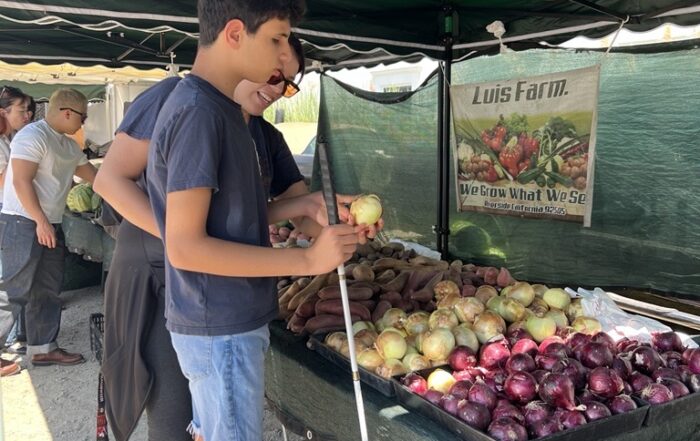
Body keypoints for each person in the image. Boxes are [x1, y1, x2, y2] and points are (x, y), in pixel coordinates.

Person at [146, 1, 378, 440]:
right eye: (276, 39)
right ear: (235, 34)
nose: (281, 56)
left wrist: (306, 207)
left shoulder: (225, 113)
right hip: (221, 324)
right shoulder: (199, 113)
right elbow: (185, 246)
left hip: (227, 321)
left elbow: (230, 218)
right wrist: (309, 261)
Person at [94, 33, 316, 441]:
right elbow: (110, 179)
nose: (277, 90)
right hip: (157, 274)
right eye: (272, 75)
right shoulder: (179, 101)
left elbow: (299, 206)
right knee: (170, 409)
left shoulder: (265, 137)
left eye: (287, 83)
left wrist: (341, 227)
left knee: (209, 413)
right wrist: (182, 236)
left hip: (215, 279)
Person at [0, 88, 97, 367]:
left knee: (47, 288)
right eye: (83, 116)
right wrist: (41, 221)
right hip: (22, 221)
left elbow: (95, 178)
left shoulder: (67, 145)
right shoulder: (33, 136)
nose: (84, 122)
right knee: (13, 289)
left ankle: (42, 348)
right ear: (68, 113)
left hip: (49, 223)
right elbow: (20, 181)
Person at [0, 85, 31, 375]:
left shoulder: (10, 140)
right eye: (21, 110)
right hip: (7, 217)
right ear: (4, 112)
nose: (27, 115)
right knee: (9, 286)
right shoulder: (2, 144)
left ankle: (14, 338)